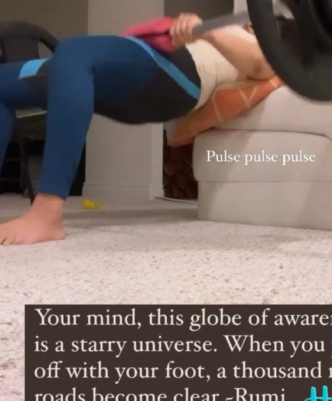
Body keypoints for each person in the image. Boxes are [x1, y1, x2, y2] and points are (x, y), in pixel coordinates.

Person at [0, 13, 274, 245]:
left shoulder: (261, 46)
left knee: (73, 51)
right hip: (140, 67)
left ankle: (47, 212)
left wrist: (208, 31)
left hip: (173, 76)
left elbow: (261, 64)